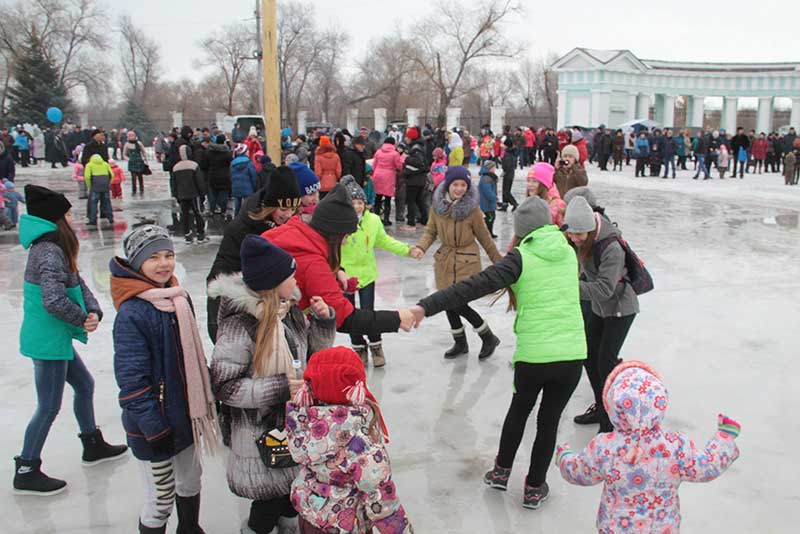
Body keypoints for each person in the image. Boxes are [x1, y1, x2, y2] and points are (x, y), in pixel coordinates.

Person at [411, 196, 586, 509]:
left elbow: (474, 286)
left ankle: (501, 474)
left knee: (520, 410)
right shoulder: (569, 252)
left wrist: (427, 305)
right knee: (549, 421)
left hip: (534, 358)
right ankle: (534, 488)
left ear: (521, 231)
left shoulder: (521, 257)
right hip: (573, 356)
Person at [209, 236, 335, 534]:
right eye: (291, 276)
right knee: (267, 504)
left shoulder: (288, 311)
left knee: (291, 497)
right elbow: (225, 386)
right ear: (272, 283)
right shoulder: (240, 325)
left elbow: (311, 357)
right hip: (260, 433)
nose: (296, 280)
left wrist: (323, 322)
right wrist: (278, 388)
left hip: (293, 425)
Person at [14, 186, 127, 496]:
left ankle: (92, 443)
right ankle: (26, 467)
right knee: (48, 406)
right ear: (56, 219)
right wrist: (81, 318)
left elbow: (76, 281)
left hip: (55, 338)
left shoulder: (55, 246)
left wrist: (92, 309)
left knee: (85, 385)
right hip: (48, 342)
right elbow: (52, 299)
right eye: (67, 213)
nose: (72, 218)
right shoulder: (48, 250)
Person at [110, 225, 219, 534]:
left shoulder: (178, 300)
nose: (164, 263)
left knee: (190, 481)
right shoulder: (132, 313)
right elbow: (131, 380)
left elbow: (191, 360)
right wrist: (154, 427)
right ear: (136, 262)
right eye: (153, 257)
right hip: (153, 425)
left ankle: (189, 529)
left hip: (185, 415)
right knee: (160, 499)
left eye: (168, 255)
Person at [556, 361, 741, 534]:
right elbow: (706, 467)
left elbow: (580, 472)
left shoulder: (605, 446)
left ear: (612, 405)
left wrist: (564, 457)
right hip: (661, 528)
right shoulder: (675, 446)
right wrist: (724, 438)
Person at [262, 183, 417, 339]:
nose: (344, 242)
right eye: (345, 237)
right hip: (279, 336)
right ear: (334, 234)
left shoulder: (293, 232)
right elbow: (345, 318)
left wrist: (335, 276)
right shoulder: (314, 263)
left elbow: (306, 279)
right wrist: (396, 319)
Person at [286, 347, 414, 534]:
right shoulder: (361, 445)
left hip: (310, 517)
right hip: (345, 525)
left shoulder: (302, 422)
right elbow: (380, 498)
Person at [563, 197, 639, 433]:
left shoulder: (611, 247)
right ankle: (601, 406)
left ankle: (610, 419)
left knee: (606, 361)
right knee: (588, 355)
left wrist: (565, 286)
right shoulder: (583, 240)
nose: (574, 239)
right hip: (599, 307)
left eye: (579, 234)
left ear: (590, 229)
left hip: (620, 308)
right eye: (571, 233)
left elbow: (604, 289)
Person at [414, 166, 502, 359]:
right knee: (448, 302)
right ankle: (461, 342)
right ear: (448, 185)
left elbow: (485, 238)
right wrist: (421, 247)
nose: (459, 188)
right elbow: (430, 231)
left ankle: (487, 336)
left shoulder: (472, 210)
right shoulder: (438, 208)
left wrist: (500, 264)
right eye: (456, 184)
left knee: (457, 302)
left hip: (466, 261)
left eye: (463, 185)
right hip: (445, 261)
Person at [206, 167, 302, 343]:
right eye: (283, 208)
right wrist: (221, 332)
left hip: (281, 316)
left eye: (293, 209)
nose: (288, 215)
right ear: (270, 205)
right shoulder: (240, 230)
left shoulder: (292, 227)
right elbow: (220, 278)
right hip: (249, 323)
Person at [339, 176, 412, 367]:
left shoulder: (373, 221)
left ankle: (376, 345)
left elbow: (385, 241)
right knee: (349, 316)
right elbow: (327, 248)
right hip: (345, 277)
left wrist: (407, 249)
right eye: (353, 202)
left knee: (368, 313)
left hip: (367, 275)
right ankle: (358, 347)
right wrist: (338, 241)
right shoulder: (338, 222)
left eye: (360, 202)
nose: (357, 207)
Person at [172, 144, 208, 244]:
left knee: (185, 215)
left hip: (182, 195)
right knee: (198, 213)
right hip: (194, 194)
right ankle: (201, 234)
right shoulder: (194, 165)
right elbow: (199, 181)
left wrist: (176, 195)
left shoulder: (176, 167)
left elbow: (174, 183)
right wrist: (203, 194)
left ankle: (187, 235)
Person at [372, 138, 403, 226]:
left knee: (377, 198)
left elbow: (374, 164)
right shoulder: (395, 153)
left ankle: (376, 219)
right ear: (393, 144)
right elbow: (399, 166)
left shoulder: (378, 152)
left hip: (377, 174)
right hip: (388, 176)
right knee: (387, 198)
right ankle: (386, 219)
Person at [527, 162, 565, 228]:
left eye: (534, 181)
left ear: (544, 185)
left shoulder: (557, 205)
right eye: (528, 180)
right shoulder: (529, 202)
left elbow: (564, 232)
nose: (530, 184)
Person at [205, 134, 233, 217]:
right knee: (224, 194)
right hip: (225, 176)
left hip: (212, 175)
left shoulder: (209, 152)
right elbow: (230, 164)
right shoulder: (227, 153)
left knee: (213, 194)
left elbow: (205, 163)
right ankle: (223, 211)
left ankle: (212, 210)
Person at [402, 146, 430, 228]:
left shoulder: (410, 159)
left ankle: (411, 222)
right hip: (421, 183)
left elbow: (407, 172)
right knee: (419, 201)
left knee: (410, 202)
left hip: (411, 183)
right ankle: (424, 220)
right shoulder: (424, 159)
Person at [84, 153, 114, 226]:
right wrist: (109, 183)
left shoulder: (89, 165)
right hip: (105, 185)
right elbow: (112, 175)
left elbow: (87, 177)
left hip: (95, 185)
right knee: (107, 202)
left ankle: (93, 220)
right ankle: (110, 218)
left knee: (94, 203)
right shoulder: (105, 164)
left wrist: (90, 186)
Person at [231, 144, 259, 217]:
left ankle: (236, 217)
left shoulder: (232, 163)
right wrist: (254, 186)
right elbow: (253, 176)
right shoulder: (249, 163)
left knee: (237, 204)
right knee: (248, 205)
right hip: (247, 187)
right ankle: (246, 218)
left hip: (236, 186)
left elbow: (230, 175)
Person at [479, 161, 499, 238]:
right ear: (489, 168)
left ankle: (489, 232)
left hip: (488, 203)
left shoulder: (489, 176)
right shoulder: (486, 178)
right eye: (493, 167)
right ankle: (487, 233)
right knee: (490, 218)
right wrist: (494, 198)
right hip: (486, 203)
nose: (495, 169)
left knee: (490, 218)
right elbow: (487, 191)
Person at [124, 131, 148, 196]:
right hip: (132, 162)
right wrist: (129, 159)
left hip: (139, 161)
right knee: (133, 177)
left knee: (140, 177)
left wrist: (144, 158)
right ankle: (134, 190)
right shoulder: (127, 144)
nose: (131, 137)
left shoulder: (139, 143)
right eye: (130, 136)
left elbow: (144, 151)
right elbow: (124, 154)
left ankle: (141, 189)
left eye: (132, 136)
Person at [499, 138, 519, 212]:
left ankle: (514, 203)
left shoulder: (508, 153)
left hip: (508, 174)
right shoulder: (513, 152)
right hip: (511, 173)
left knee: (506, 191)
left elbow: (507, 165)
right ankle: (505, 205)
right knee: (506, 190)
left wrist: (504, 170)